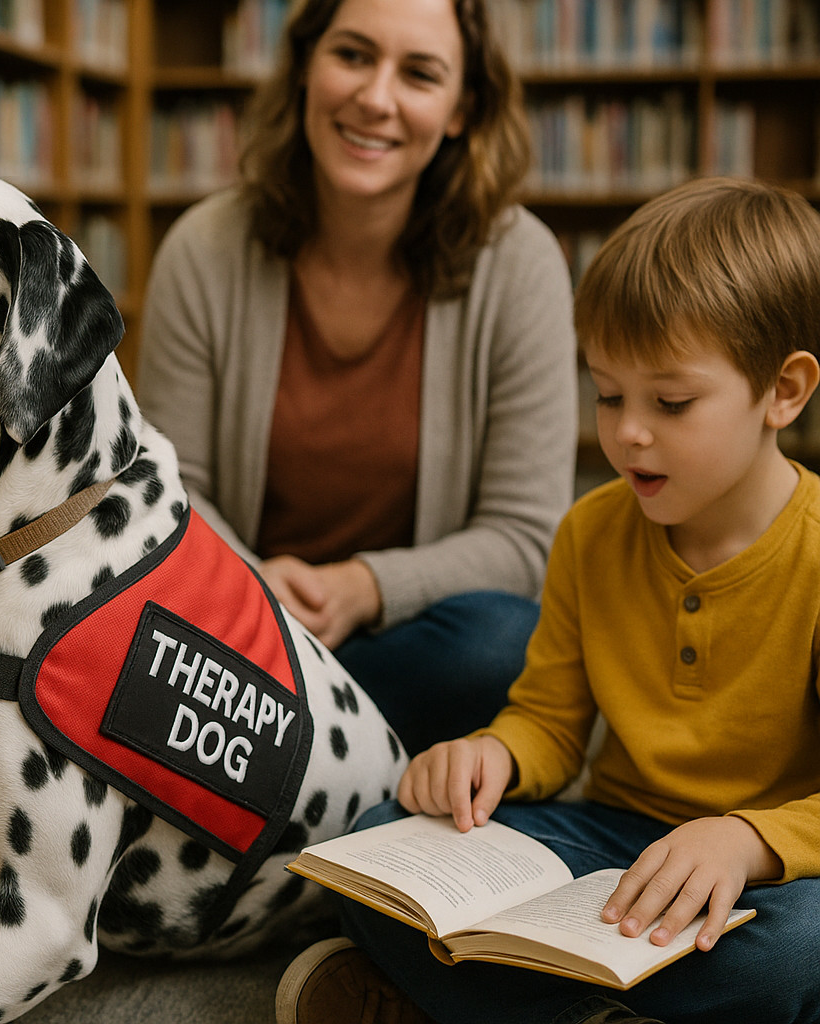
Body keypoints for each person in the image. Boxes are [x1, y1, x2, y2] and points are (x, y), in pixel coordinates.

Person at [283, 176, 820, 1024]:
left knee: (797, 952)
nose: (628, 431)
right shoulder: (590, 531)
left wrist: (747, 840)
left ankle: (465, 1004)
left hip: (763, 877)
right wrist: (492, 754)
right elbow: (551, 722)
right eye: (607, 394)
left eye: (670, 402)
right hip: (610, 845)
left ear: (783, 391)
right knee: (378, 842)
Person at [137, 0, 578, 757]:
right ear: (306, 67)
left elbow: (520, 537)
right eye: (352, 55)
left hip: (406, 636)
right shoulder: (203, 250)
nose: (376, 97)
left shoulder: (521, 265)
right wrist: (256, 589)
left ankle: (266, 753)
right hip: (236, 621)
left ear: (461, 110)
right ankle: (344, 765)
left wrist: (365, 588)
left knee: (504, 643)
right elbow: (170, 487)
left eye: (419, 74)